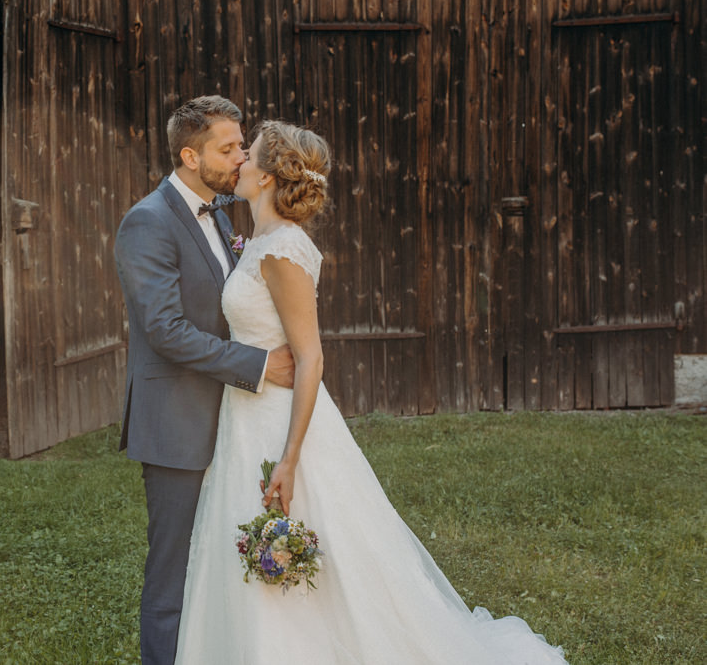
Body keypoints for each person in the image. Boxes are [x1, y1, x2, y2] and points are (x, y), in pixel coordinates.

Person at [175, 121, 569, 664]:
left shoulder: (284, 248)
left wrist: (289, 458)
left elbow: (311, 356)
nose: (238, 161)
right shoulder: (259, 239)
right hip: (244, 415)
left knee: (308, 545)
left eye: (248, 155)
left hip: (279, 423)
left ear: (266, 176)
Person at [114, 96, 296, 665]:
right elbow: (165, 330)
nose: (242, 156)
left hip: (231, 423)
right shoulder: (146, 221)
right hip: (176, 425)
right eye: (229, 147)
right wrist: (259, 365)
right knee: (173, 572)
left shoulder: (219, 213)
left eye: (242, 145)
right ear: (190, 156)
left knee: (219, 558)